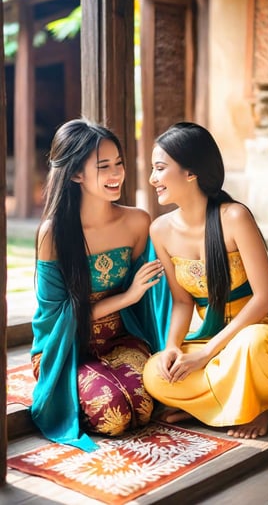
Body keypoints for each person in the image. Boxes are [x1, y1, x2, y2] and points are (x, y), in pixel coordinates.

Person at [143, 121, 268, 440]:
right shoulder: (160, 230)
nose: (152, 179)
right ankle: (223, 403)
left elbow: (266, 297)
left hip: (263, 323)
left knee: (249, 346)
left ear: (190, 172)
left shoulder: (235, 217)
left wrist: (206, 353)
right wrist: (172, 347)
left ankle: (257, 407)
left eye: (159, 168)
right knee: (155, 372)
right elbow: (183, 302)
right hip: (212, 332)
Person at [30, 118, 167, 452]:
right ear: (76, 173)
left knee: (143, 405)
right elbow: (53, 317)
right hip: (66, 347)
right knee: (114, 414)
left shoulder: (137, 222)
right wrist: (127, 295)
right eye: (104, 167)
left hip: (121, 338)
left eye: (118, 163)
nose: (116, 174)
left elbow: (149, 303)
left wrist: (166, 348)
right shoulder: (54, 234)